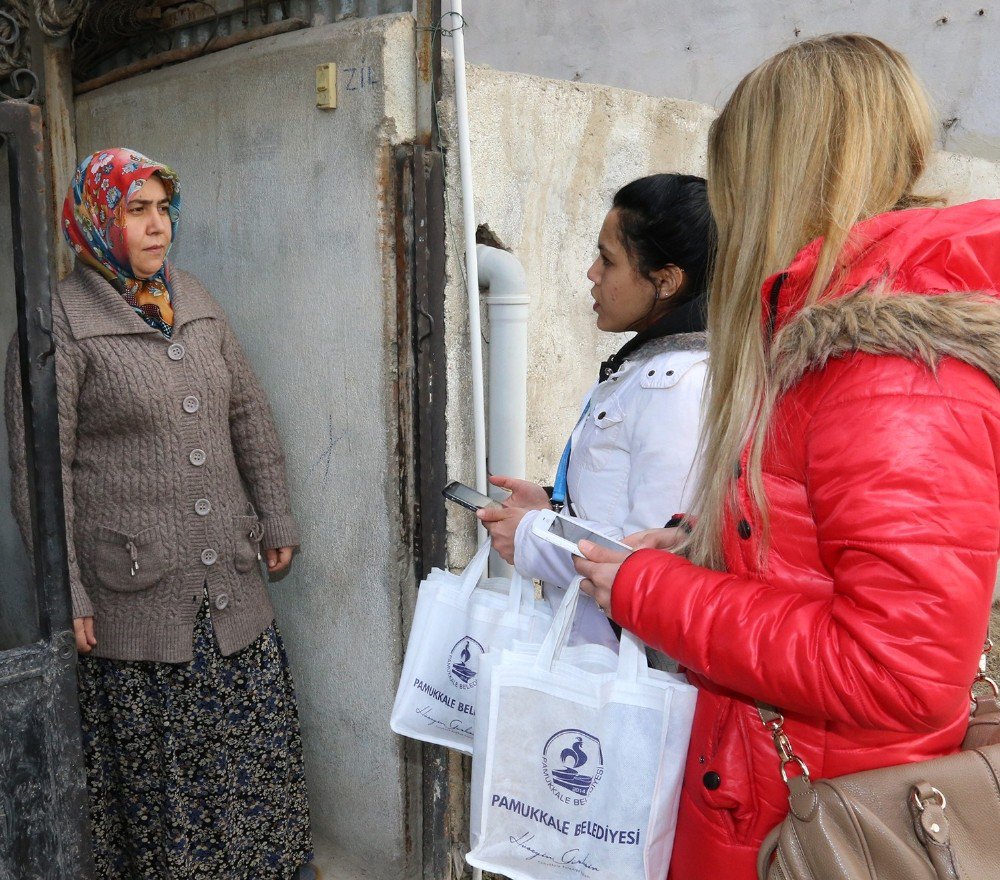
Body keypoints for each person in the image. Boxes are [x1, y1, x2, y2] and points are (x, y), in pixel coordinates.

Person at [574, 34, 1000, 880]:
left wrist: (652, 588)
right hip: (781, 785)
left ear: (775, 175)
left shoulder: (887, 366)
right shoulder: (835, 335)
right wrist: (704, 549)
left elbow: (897, 670)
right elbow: (816, 538)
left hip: (822, 814)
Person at [5, 148, 314, 879]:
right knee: (166, 782)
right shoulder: (57, 323)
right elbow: (39, 472)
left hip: (230, 591)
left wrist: (276, 515)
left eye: (162, 209)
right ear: (94, 221)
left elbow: (249, 413)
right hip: (134, 600)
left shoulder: (198, 301)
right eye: (135, 210)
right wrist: (69, 589)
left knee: (253, 754)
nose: (157, 228)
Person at [479, 173, 713, 644]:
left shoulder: (679, 385)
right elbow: (617, 510)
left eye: (608, 260)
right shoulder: (647, 365)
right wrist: (553, 503)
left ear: (665, 281)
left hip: (620, 673)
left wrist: (531, 534)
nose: (592, 273)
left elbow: (650, 565)